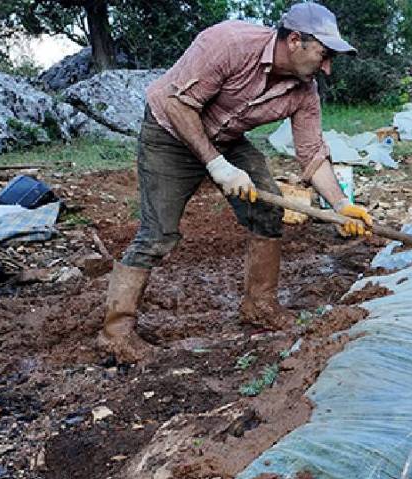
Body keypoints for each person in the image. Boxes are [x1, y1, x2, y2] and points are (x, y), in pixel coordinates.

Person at [98, 2, 373, 363]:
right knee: (158, 234)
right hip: (169, 131)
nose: (327, 68)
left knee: (267, 211)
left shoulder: (305, 91)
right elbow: (177, 104)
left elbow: (313, 155)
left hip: (226, 137)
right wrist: (217, 166)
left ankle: (259, 306)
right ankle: (115, 334)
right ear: (294, 41)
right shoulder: (228, 44)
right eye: (324, 54)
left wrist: (341, 206)